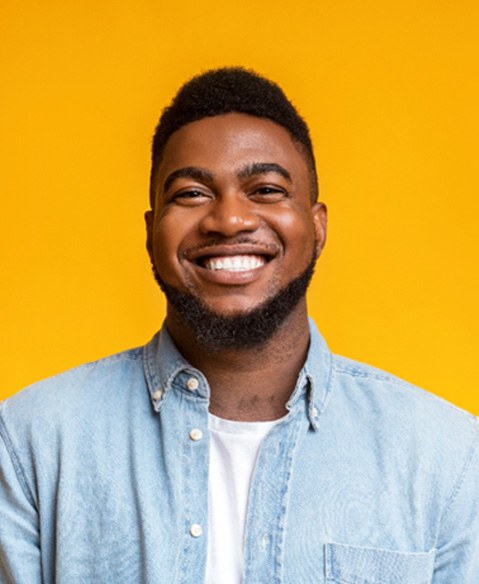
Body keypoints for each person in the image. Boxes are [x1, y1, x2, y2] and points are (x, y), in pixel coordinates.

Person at [0, 68, 478, 584]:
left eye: (266, 189)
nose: (229, 220)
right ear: (151, 229)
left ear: (316, 227)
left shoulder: (448, 458)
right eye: (190, 194)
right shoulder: (32, 443)